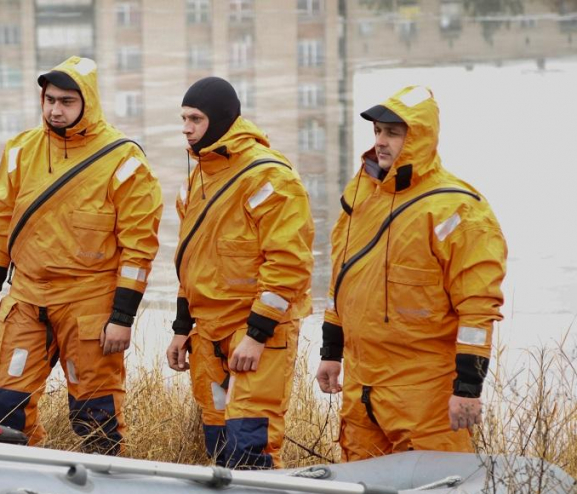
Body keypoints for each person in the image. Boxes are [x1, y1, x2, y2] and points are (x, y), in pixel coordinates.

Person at [0, 56, 163, 455]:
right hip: (26, 297)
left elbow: (139, 247)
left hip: (89, 305)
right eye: (49, 100)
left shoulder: (124, 161)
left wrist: (122, 317)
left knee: (95, 417)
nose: (55, 110)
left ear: (87, 103)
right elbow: (1, 224)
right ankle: (27, 468)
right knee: (1, 399)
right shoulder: (21, 150)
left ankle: (105, 489)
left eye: (66, 101)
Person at [316, 85, 507, 461]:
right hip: (361, 391)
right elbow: (342, 282)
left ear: (418, 137)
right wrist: (330, 352)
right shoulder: (361, 196)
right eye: (378, 131)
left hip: (425, 396)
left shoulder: (456, 210)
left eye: (393, 132)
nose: (381, 142)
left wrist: (468, 388)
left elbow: (477, 307)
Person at [166, 77, 314, 469]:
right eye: (183, 118)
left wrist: (257, 334)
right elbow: (190, 263)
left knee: (250, 446)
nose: (186, 127)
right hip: (208, 335)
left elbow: (289, 265)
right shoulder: (196, 180)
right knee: (218, 445)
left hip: (256, 335)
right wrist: (182, 328)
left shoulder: (270, 177)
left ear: (220, 120)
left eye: (194, 118)